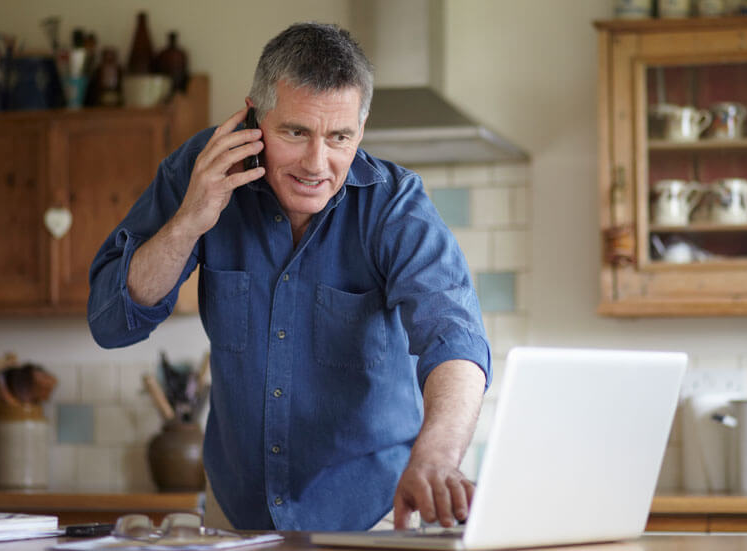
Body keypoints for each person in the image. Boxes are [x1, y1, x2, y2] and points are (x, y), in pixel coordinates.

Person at [87, 22, 490, 532]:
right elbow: (110, 321)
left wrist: (436, 458)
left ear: (361, 130)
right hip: (234, 518)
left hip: (376, 518)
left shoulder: (395, 205)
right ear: (254, 116)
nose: (317, 163)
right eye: (296, 133)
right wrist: (190, 220)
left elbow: (456, 340)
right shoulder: (201, 170)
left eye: (339, 137)